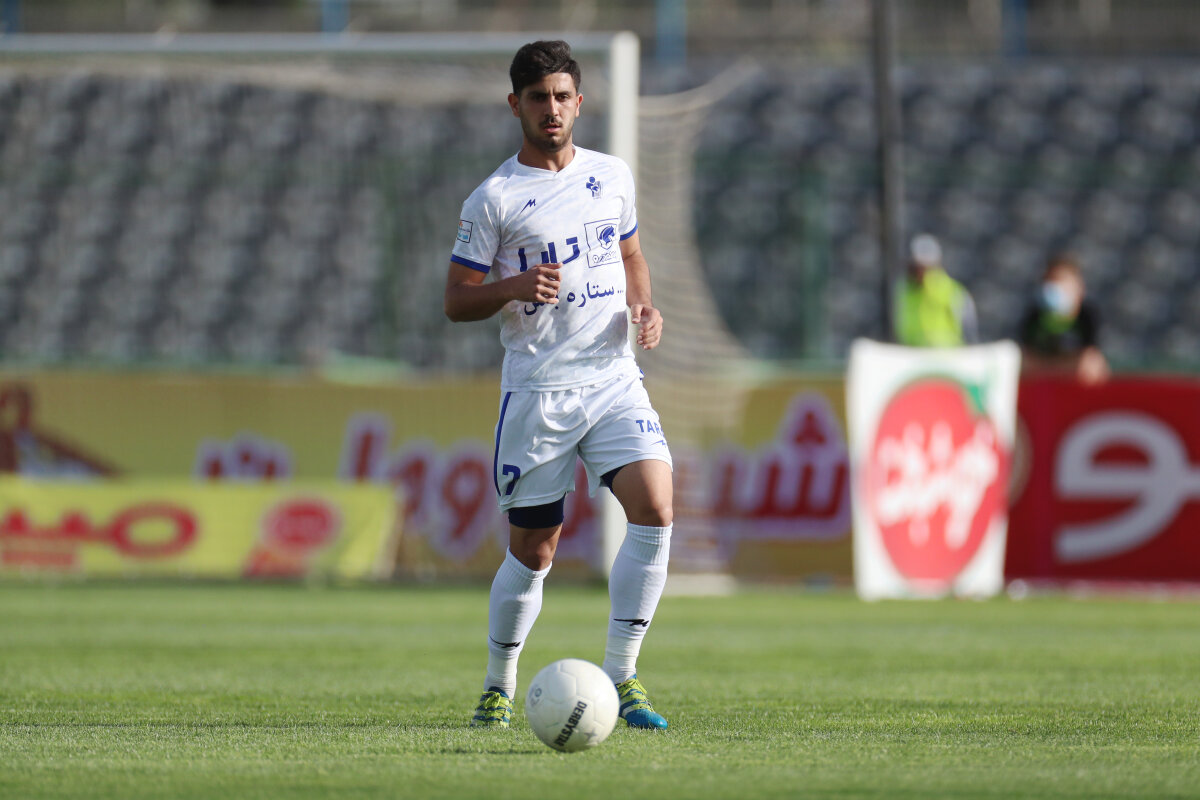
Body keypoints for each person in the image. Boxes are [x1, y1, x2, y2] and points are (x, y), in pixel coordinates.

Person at [443, 40, 673, 731]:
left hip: (613, 379)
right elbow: (456, 300)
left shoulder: (611, 174)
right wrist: (511, 286)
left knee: (656, 507)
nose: (552, 109)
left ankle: (623, 677)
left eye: (563, 97)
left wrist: (644, 307)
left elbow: (631, 254)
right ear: (515, 104)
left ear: (579, 102)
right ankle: (498, 685)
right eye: (539, 98)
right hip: (540, 393)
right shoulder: (494, 199)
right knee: (534, 551)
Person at [1018, 253, 1109, 385]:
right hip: (1042, 379)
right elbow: (1027, 358)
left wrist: (1052, 366)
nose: (1053, 287)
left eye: (1060, 280)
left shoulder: (1087, 316)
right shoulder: (1034, 315)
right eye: (1049, 280)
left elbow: (1090, 360)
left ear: (1078, 286)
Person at [893, 233, 979, 347]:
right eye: (917, 266)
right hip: (910, 353)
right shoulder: (900, 292)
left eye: (925, 267)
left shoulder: (952, 291)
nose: (920, 272)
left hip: (947, 354)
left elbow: (968, 329)